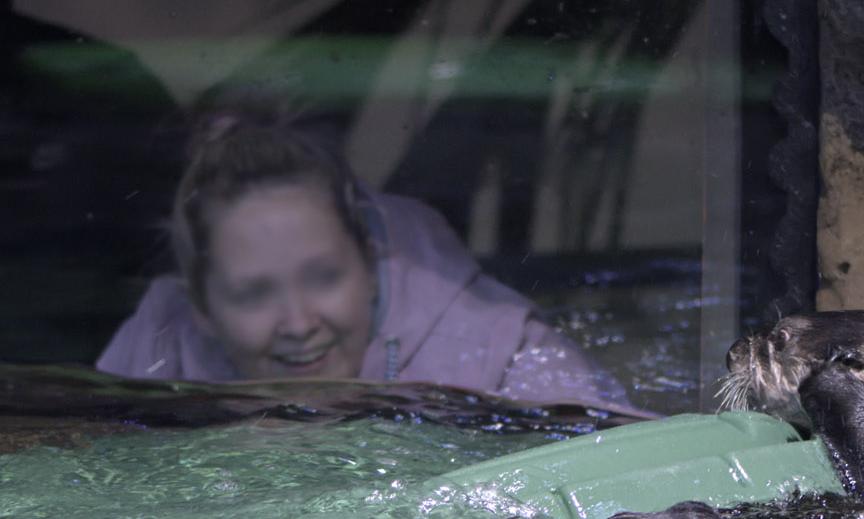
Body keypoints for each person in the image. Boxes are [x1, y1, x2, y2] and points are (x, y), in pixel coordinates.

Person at [96, 112, 640, 414]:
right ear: (202, 311)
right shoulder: (154, 353)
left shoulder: (504, 360)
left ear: (371, 261)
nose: (300, 323)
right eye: (253, 293)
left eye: (325, 277)